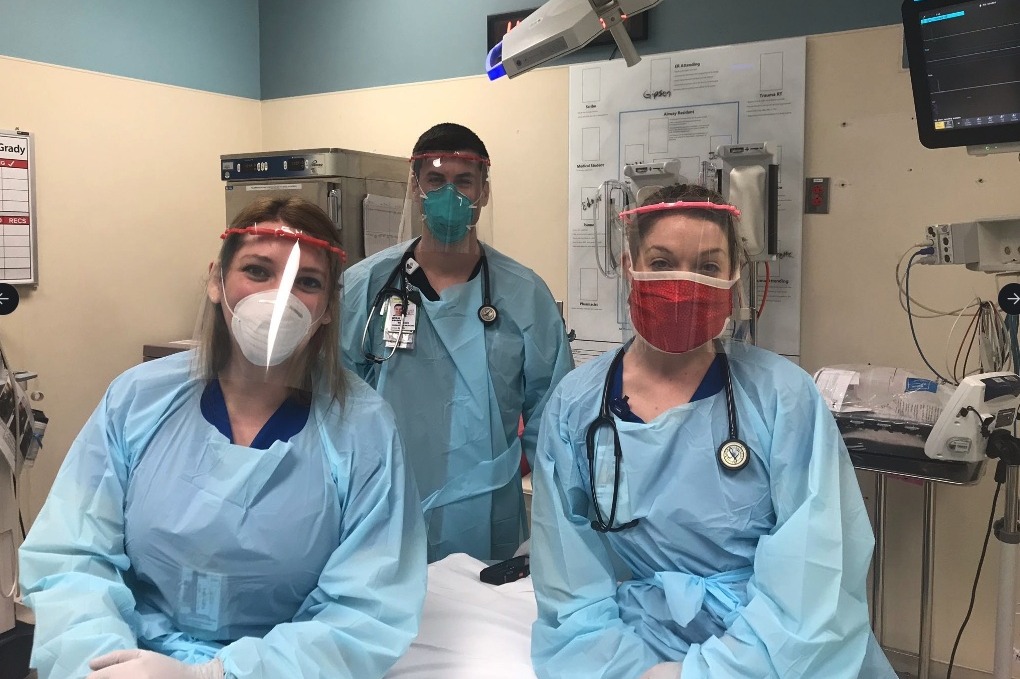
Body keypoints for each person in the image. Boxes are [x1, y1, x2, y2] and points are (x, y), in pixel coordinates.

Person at [19, 197, 427, 679]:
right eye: (257, 271)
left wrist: (217, 675)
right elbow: (74, 556)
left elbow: (367, 607)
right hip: (129, 659)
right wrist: (103, 661)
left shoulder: (362, 427)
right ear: (217, 281)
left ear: (328, 309)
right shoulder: (138, 400)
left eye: (307, 282)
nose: (280, 298)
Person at [529, 184, 896, 679]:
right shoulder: (578, 404)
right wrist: (625, 667)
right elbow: (569, 578)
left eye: (707, 266)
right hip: (639, 637)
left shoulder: (781, 396)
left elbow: (815, 575)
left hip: (777, 651)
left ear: (733, 277)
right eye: (662, 263)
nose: (683, 283)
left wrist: (715, 671)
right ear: (629, 265)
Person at [341, 123, 573, 562]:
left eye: (464, 181)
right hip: (383, 505)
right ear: (416, 187)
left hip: (487, 515)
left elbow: (553, 421)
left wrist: (557, 529)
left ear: (483, 190)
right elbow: (335, 404)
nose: (450, 195)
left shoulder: (525, 294)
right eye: (436, 180)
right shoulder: (364, 286)